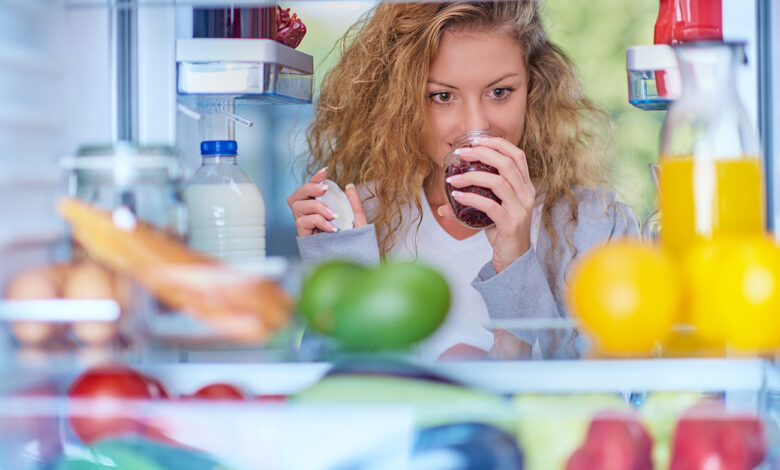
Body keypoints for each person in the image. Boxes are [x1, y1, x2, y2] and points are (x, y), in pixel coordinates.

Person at [287, 0, 638, 361]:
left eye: (499, 92)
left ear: (532, 87)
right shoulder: (360, 219)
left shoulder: (595, 225)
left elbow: (608, 394)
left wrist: (516, 259)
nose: (476, 125)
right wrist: (342, 273)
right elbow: (333, 396)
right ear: (402, 101)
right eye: (442, 96)